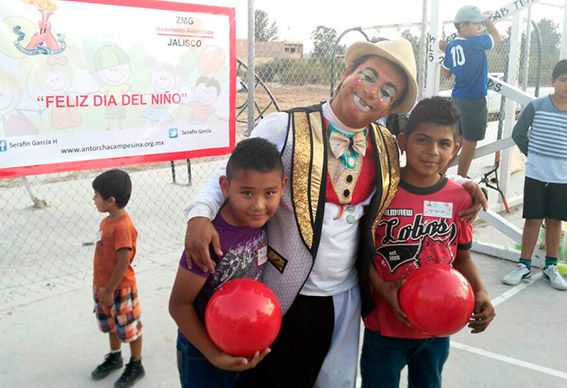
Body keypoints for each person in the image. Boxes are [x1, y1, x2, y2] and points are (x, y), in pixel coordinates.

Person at [183, 39, 486, 388]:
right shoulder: (284, 127)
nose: (373, 93)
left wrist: (463, 182)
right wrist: (199, 215)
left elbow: (418, 170)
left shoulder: (385, 142)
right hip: (287, 290)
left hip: (347, 294)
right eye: (369, 76)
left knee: (336, 382)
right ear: (347, 73)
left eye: (387, 90)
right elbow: (230, 169)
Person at [360, 96, 495, 388]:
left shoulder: (460, 199)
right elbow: (360, 251)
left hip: (437, 329)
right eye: (423, 140)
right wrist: (383, 289)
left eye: (444, 144)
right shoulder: (380, 192)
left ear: (456, 148)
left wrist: (481, 292)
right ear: (404, 141)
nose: (432, 151)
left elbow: (462, 258)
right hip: (384, 327)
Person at [169, 138, 287, 388]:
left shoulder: (267, 220)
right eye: (246, 193)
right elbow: (179, 305)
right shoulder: (209, 240)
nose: (258, 205)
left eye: (269, 193)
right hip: (203, 353)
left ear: (283, 187)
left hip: (249, 347)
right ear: (225, 186)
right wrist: (213, 355)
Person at [502, 59, 567, 291]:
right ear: (553, 82)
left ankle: (550, 267)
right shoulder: (537, 106)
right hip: (536, 174)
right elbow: (519, 133)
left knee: (555, 222)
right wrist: (534, 154)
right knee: (533, 219)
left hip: (564, 177)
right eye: (563, 80)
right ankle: (523, 265)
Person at [90, 169, 145, 387]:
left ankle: (136, 363)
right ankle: (115, 356)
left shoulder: (122, 226)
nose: (93, 199)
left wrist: (110, 290)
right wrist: (102, 288)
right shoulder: (107, 221)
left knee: (129, 327)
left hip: (119, 288)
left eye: (96, 195)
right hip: (103, 286)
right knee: (111, 324)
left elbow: (123, 262)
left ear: (110, 201)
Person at [441, 5, 501, 177]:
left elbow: (446, 73)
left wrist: (445, 50)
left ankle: (439, 174)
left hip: (457, 98)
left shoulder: (452, 46)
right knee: (470, 141)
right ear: (462, 26)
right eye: (475, 23)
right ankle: (461, 177)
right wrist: (488, 21)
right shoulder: (477, 42)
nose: (479, 27)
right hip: (474, 100)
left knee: (456, 140)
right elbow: (497, 37)